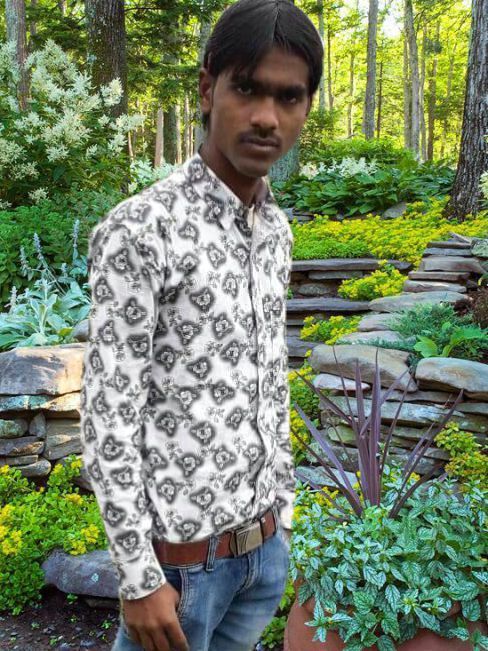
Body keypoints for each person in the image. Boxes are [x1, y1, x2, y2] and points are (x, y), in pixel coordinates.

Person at [80, 1, 323, 649]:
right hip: (180, 573)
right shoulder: (141, 230)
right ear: (208, 87)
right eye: (248, 89)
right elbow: (108, 414)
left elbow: (268, 377)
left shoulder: (276, 231)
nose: (266, 116)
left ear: (306, 106)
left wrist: (284, 519)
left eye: (289, 96)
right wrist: (138, 576)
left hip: (261, 561)